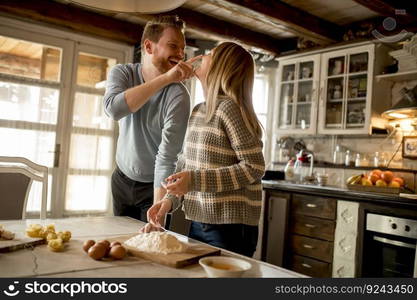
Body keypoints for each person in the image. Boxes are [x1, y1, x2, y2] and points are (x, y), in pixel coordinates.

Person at [146, 42, 265, 257]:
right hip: (200, 221)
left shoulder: (229, 109)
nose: (202, 56)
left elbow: (254, 167)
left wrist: (194, 181)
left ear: (221, 67)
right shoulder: (198, 110)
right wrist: (167, 202)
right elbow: (186, 166)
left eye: (210, 54)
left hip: (230, 227)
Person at [104, 15, 200, 222]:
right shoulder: (122, 73)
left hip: (154, 187)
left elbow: (167, 156)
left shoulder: (178, 95)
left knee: (150, 245)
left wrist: (158, 210)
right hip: (120, 179)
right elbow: (113, 109)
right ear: (149, 46)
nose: (180, 54)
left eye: (182, 49)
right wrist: (164, 79)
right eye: (173, 46)